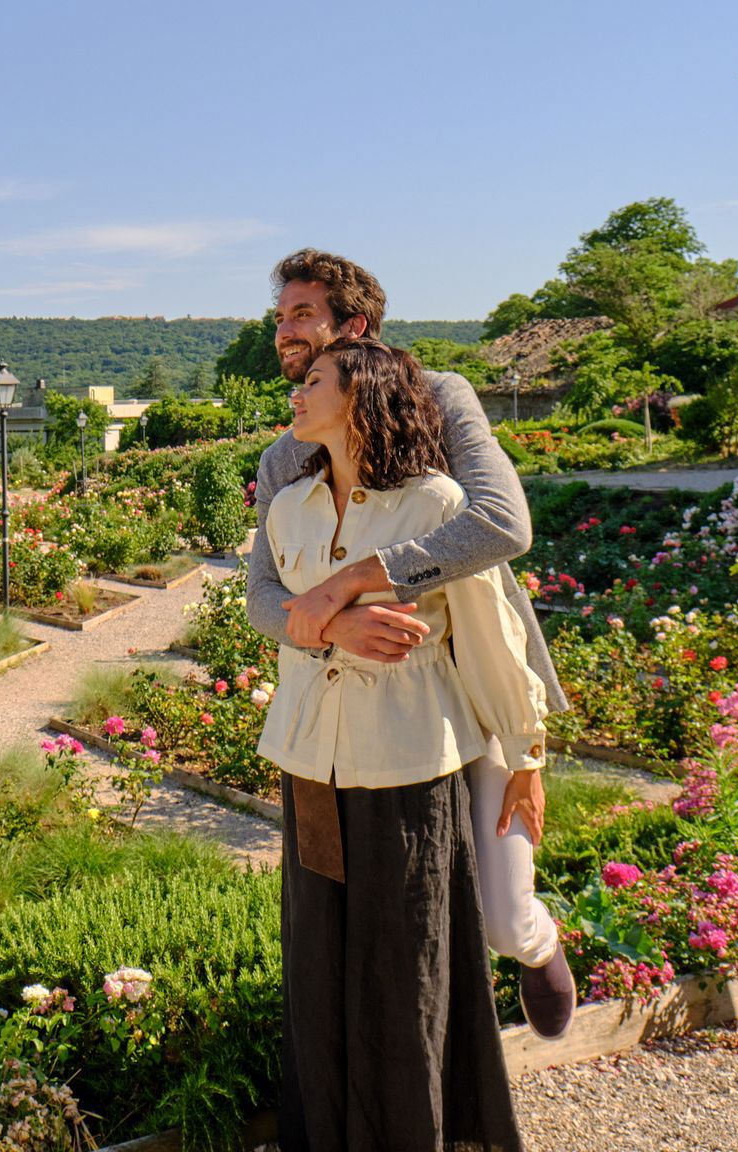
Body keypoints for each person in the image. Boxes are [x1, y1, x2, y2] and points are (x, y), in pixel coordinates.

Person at [244, 250, 574, 1032]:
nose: (281, 330)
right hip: (361, 698)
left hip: (472, 665)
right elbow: (264, 594)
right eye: (279, 314)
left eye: (301, 316)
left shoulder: (441, 397)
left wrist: (354, 578)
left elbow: (500, 523)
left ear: (351, 327)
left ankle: (536, 946)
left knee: (501, 906)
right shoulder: (286, 454)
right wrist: (334, 619)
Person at [260, 336, 541, 1151]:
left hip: (411, 765)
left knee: (404, 967)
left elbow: (492, 643)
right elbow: (275, 615)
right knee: (317, 962)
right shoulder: (287, 508)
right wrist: (328, 622)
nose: (295, 391)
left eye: (315, 379)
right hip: (312, 761)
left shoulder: (437, 507)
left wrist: (525, 755)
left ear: (363, 393)